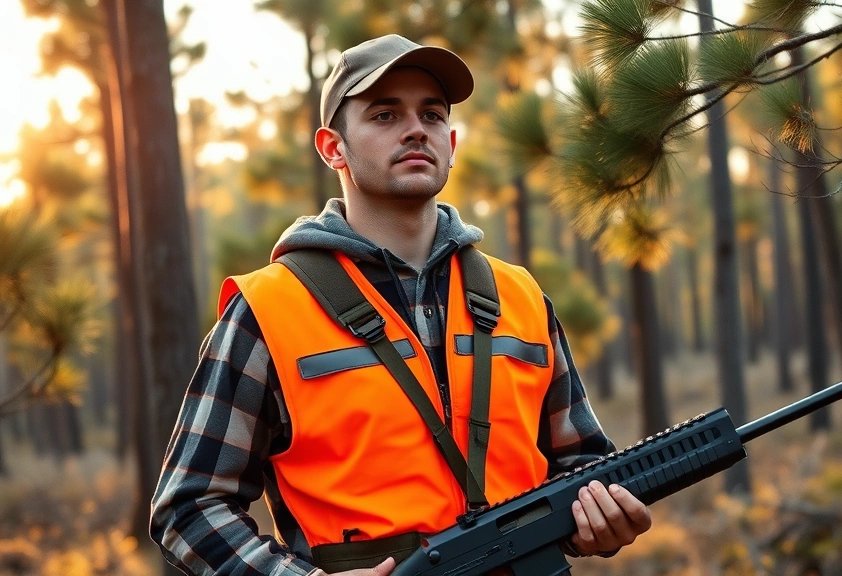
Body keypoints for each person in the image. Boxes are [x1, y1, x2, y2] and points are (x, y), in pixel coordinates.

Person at [151, 34, 652, 576]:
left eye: (432, 115)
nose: (416, 128)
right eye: (385, 114)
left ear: (452, 144)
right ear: (331, 147)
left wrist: (602, 516)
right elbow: (189, 506)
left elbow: (582, 464)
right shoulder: (269, 309)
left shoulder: (521, 298)